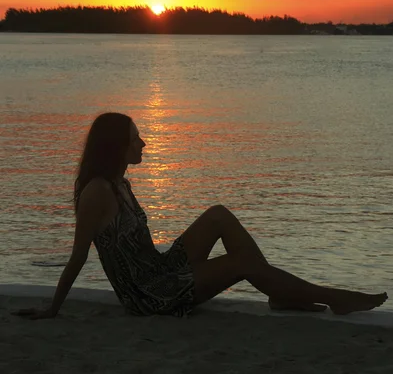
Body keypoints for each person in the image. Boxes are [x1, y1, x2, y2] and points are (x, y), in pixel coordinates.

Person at [15, 112, 387, 320]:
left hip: (159, 270)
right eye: (135, 139)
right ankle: (335, 297)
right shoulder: (97, 192)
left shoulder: (119, 183)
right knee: (240, 262)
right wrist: (53, 308)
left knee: (218, 215)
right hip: (149, 295)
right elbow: (78, 255)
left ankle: (282, 295)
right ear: (116, 146)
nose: (143, 143)